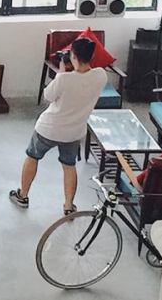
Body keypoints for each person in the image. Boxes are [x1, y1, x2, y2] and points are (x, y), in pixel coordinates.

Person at [9, 37, 108, 215]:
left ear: (73, 56)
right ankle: (69, 206)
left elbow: (48, 95)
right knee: (69, 166)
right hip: (74, 132)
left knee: (32, 157)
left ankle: (23, 195)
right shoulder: (101, 76)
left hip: (49, 129)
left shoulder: (64, 79)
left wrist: (62, 72)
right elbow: (84, 77)